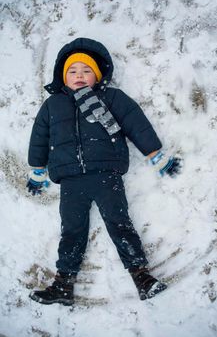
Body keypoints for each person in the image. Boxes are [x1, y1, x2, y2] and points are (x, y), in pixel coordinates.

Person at [27, 37, 181, 306]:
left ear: (97, 76)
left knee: (119, 223)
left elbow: (136, 124)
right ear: (63, 76)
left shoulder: (111, 98)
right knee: (72, 229)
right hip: (71, 180)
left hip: (106, 174)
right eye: (73, 71)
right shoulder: (52, 105)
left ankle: (142, 277)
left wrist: (155, 154)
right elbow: (40, 137)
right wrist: (37, 169)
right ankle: (63, 285)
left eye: (87, 71)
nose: (79, 76)